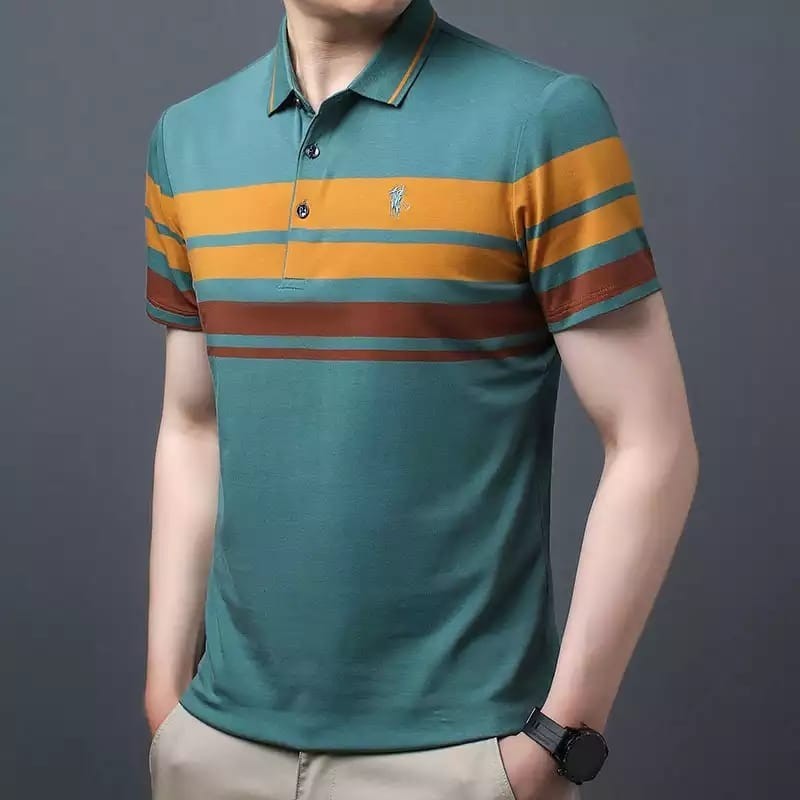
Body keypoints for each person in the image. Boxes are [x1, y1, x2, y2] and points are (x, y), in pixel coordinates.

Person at [142, 1, 699, 798]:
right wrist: (166, 697)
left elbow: (653, 442)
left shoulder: (543, 120)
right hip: (216, 750)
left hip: (460, 759)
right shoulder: (186, 139)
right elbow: (192, 425)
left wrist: (558, 740)